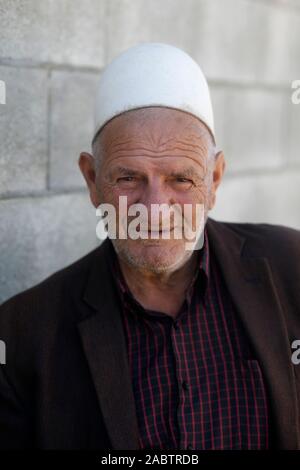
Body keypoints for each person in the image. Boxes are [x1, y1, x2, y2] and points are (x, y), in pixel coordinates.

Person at [0, 43, 299, 450]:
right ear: (92, 180)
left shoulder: (292, 270)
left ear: (214, 180)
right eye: (128, 179)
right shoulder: (24, 335)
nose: (155, 211)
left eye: (181, 179)